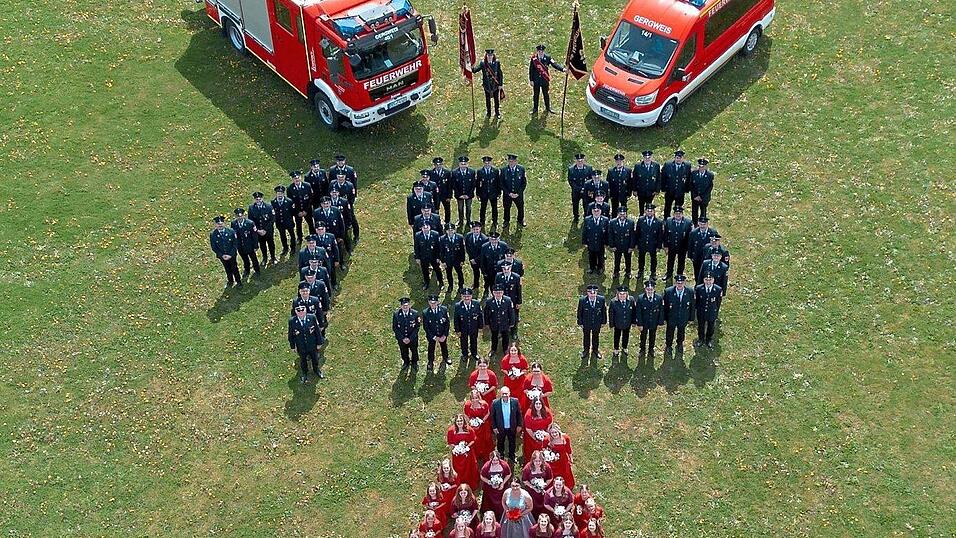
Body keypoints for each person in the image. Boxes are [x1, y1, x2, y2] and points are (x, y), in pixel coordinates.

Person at [288, 305, 324, 382]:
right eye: (298, 310)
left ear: (306, 310)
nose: (301, 312)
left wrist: (319, 343)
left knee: (315, 359)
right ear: (295, 311)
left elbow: (317, 331)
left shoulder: (312, 317)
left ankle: (316, 370)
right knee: (303, 361)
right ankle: (305, 373)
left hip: (312, 345)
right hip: (301, 346)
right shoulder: (292, 321)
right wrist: (292, 346)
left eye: (302, 310)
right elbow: (291, 335)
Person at [528, 44, 565, 114]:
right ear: (537, 51)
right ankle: (535, 108)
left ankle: (548, 108)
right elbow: (531, 70)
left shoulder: (548, 57)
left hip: (544, 79)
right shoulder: (534, 59)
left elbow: (555, 64)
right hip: (536, 80)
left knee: (546, 94)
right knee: (536, 94)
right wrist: (531, 80)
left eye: (542, 51)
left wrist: (563, 69)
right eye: (539, 51)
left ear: (543, 51)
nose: (541, 52)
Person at [490, 387, 523, 464]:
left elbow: (519, 414)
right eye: (503, 393)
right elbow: (492, 416)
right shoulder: (495, 403)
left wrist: (519, 425)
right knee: (500, 443)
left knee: (512, 442)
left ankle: (512, 456)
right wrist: (494, 427)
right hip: (500, 428)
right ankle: (500, 457)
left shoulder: (515, 401)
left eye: (506, 393)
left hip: (512, 427)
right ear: (500, 394)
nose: (505, 395)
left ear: (509, 393)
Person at [663, 275, 695, 353]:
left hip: (683, 317)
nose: (679, 285)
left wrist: (691, 318)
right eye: (678, 283)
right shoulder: (668, 292)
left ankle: (680, 344)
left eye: (681, 283)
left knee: (681, 332)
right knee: (670, 333)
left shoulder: (690, 292)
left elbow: (692, 306)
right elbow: (665, 307)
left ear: (684, 283)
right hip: (671, 317)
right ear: (675, 283)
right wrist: (664, 318)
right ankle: (668, 345)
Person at [448, 413, 480, 490]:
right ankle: (459, 483)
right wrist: (457, 448)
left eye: (461, 421)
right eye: (458, 421)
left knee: (469, 468)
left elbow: (473, 440)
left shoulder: (469, 430)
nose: (459, 423)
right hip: (457, 456)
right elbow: (450, 442)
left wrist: (466, 447)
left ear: (464, 421)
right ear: (455, 422)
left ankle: (471, 483)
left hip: (468, 454)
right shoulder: (451, 431)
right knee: (458, 470)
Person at [484, 286, 516, 358]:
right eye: (496, 293)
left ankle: (505, 349)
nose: (498, 294)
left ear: (503, 292)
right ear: (493, 293)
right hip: (494, 323)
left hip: (504, 323)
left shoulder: (507, 300)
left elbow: (511, 312)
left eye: (500, 292)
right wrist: (487, 323)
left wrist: (512, 322)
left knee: (505, 337)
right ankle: (493, 349)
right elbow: (486, 313)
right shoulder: (489, 302)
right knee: (494, 337)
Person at [209, 215, 241, 288]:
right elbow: (214, 247)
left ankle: (238, 281)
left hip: (232, 255)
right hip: (222, 256)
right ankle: (230, 281)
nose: (220, 225)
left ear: (224, 223)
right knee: (227, 268)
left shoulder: (231, 232)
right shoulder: (213, 234)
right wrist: (222, 255)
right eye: (218, 224)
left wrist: (230, 254)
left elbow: (235, 244)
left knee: (234, 268)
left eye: (221, 223)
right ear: (215, 225)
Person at [636, 280, 665, 360]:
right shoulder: (641, 298)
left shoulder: (659, 298)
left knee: (652, 336)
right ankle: (642, 349)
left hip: (654, 322)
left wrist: (660, 323)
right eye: (648, 289)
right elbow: (638, 312)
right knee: (643, 336)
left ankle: (651, 349)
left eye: (651, 289)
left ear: (654, 289)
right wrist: (639, 324)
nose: (649, 291)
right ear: (645, 289)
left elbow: (661, 311)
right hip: (644, 323)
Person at [472, 49, 504, 118]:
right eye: (488, 55)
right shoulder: (483, 63)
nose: (489, 57)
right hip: (487, 86)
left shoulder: (497, 62)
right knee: (487, 100)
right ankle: (488, 113)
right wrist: (469, 66)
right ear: (486, 56)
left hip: (495, 85)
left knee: (496, 100)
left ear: (493, 56)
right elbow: (475, 70)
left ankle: (497, 112)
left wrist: (500, 84)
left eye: (491, 55)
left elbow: (500, 74)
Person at [479, 451, 512, 519]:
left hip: (501, 488)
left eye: (497, 460)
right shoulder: (487, 466)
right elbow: (482, 476)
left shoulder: (504, 465)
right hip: (490, 489)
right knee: (489, 502)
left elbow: (508, 474)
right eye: (493, 460)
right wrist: (489, 482)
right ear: (490, 459)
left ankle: (501, 513)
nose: (495, 461)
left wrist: (502, 483)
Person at [576, 285, 607, 359]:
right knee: (586, 337)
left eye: (594, 293)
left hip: (597, 323)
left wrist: (603, 322)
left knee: (596, 337)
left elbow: (603, 311)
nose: (592, 295)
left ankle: (595, 350)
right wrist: (580, 322)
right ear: (587, 293)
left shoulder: (601, 299)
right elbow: (579, 312)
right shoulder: (582, 300)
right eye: (590, 293)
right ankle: (586, 350)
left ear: (596, 293)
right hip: (586, 323)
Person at [455, 287, 484, 362]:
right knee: (463, 342)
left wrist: (480, 327)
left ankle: (474, 353)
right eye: (464, 296)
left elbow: (480, 316)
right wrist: (457, 330)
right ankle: (465, 354)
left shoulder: (476, 303)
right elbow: (456, 319)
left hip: (474, 327)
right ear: (461, 296)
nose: (466, 298)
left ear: (471, 296)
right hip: (463, 328)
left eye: (468, 296)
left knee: (474, 340)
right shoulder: (458, 306)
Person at [635, 204, 664, 280]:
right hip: (642, 243)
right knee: (641, 258)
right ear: (645, 211)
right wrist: (636, 244)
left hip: (653, 244)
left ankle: (653, 272)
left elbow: (660, 236)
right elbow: (637, 233)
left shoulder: (659, 222)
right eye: (648, 211)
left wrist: (659, 246)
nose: (649, 212)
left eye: (651, 211)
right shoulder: (641, 220)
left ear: (654, 212)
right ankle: (640, 271)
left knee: (653, 259)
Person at [663, 205, 692, 281]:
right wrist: (666, 246)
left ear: (682, 214)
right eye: (676, 213)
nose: (678, 215)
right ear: (674, 214)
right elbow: (665, 234)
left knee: (681, 262)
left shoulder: (688, 222)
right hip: (671, 246)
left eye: (679, 213)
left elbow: (689, 237)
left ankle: (679, 275)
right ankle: (669, 273)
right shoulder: (669, 221)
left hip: (682, 247)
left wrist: (688, 248)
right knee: (670, 260)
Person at [694, 272, 722, 348]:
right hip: (701, 311)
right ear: (703, 280)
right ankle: (701, 339)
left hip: (712, 311)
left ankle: (709, 339)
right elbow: (696, 301)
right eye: (706, 279)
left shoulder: (718, 289)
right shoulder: (699, 288)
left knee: (711, 326)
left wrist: (715, 310)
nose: (708, 281)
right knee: (701, 326)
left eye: (710, 280)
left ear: (713, 280)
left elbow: (718, 302)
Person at [248, 191, 277, 265]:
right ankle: (265, 258)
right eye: (256, 199)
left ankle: (273, 257)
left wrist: (265, 230)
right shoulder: (251, 208)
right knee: (262, 245)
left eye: (259, 198)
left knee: (271, 244)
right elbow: (251, 221)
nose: (258, 200)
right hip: (259, 232)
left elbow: (272, 219)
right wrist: (258, 230)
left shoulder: (268, 206)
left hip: (268, 230)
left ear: (262, 198)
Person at [422, 295, 451, 369]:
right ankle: (430, 361)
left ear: (438, 302)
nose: (433, 304)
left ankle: (446, 357)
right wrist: (433, 337)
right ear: (429, 302)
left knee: (444, 346)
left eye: (434, 303)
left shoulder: (444, 310)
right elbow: (426, 327)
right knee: (431, 348)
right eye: (431, 303)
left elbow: (447, 323)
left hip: (442, 333)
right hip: (432, 335)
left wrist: (445, 335)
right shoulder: (425, 312)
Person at [230, 207, 261, 276]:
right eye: (238, 216)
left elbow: (254, 235)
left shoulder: (250, 223)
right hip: (240, 245)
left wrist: (256, 245)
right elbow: (233, 234)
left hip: (250, 245)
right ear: (235, 216)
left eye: (241, 216)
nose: (240, 218)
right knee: (245, 259)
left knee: (253, 258)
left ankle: (257, 270)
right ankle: (247, 270)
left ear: (243, 215)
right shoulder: (233, 223)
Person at [392, 297, 421, 370]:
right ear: (401, 306)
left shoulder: (415, 313)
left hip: (413, 338)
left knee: (414, 350)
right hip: (402, 339)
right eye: (403, 305)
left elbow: (417, 327)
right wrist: (402, 338)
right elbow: (395, 328)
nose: (405, 307)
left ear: (409, 305)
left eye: (406, 305)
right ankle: (406, 362)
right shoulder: (396, 314)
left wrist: (410, 338)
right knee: (403, 351)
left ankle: (414, 363)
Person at [661, 150, 691, 219]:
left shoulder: (687, 166)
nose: (678, 159)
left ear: (683, 158)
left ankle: (677, 219)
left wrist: (686, 189)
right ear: (675, 158)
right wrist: (663, 188)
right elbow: (663, 177)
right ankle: (666, 219)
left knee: (679, 207)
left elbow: (688, 178)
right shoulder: (668, 165)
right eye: (677, 158)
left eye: (680, 158)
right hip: (669, 191)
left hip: (680, 191)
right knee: (667, 206)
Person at [522, 398, 554, 464]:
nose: (538, 405)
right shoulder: (528, 414)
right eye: (536, 403)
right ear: (533, 404)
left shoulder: (547, 411)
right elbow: (528, 428)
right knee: (531, 451)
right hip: (531, 436)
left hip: (544, 434)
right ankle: (530, 462)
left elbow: (550, 421)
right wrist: (535, 437)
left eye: (540, 403)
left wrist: (547, 431)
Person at [543, 424, 574, 490]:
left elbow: (568, 449)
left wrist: (571, 458)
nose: (554, 434)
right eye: (552, 433)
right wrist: (549, 457)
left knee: (565, 473)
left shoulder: (565, 438)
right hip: (552, 462)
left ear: (559, 431)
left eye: (555, 432)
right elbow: (543, 450)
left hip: (563, 460)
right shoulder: (546, 440)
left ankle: (566, 487)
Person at [607, 206, 636, 278]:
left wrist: (631, 247)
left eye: (624, 214)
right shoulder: (612, 222)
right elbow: (610, 235)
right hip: (617, 246)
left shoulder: (631, 222)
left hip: (627, 246)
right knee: (617, 260)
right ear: (618, 214)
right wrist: (612, 246)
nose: (622, 215)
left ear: (626, 214)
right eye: (620, 214)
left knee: (628, 260)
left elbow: (632, 236)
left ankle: (628, 272)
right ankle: (616, 272)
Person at [494, 263, 522, 336]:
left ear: (511, 268)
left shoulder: (516, 277)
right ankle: (502, 330)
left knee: (513, 315)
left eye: (508, 268)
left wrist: (519, 302)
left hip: (513, 300)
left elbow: (519, 290)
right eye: (504, 269)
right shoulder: (498, 276)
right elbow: (496, 288)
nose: (506, 270)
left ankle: (514, 331)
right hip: (502, 300)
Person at [608, 286, 637, 356]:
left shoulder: (631, 300)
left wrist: (633, 322)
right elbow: (611, 314)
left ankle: (624, 347)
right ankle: (616, 349)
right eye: (620, 294)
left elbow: (634, 312)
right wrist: (611, 324)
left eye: (624, 294)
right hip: (617, 324)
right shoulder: (613, 302)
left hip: (627, 323)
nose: (622, 296)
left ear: (627, 294)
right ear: (617, 294)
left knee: (626, 335)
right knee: (617, 336)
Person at [287, 170, 315, 242]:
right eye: (294, 178)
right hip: (297, 211)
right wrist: (298, 211)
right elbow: (291, 202)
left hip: (307, 209)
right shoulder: (290, 188)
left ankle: (313, 235)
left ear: (300, 177)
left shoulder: (307, 186)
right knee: (298, 224)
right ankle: (299, 237)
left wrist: (305, 210)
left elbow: (310, 199)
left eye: (298, 177)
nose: (296, 179)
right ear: (292, 179)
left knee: (310, 223)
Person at [465, 389, 493, 459]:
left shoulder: (484, 404)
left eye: (476, 398)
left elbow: (488, 413)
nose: (475, 400)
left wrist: (482, 421)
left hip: (483, 426)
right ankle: (476, 454)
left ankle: (485, 453)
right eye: (473, 398)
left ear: (479, 397)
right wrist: (470, 422)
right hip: (473, 426)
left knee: (485, 439)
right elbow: (466, 415)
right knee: (475, 440)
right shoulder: (467, 405)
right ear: (470, 399)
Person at [414, 222, 443, 291]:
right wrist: (417, 257)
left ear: (430, 227)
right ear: (422, 228)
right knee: (425, 271)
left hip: (433, 257)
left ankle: (441, 282)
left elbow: (438, 247)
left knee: (437, 269)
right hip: (423, 257)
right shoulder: (418, 235)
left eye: (427, 228)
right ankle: (426, 282)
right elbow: (416, 247)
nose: (426, 230)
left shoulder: (435, 234)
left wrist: (438, 257)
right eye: (424, 228)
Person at [440, 223, 467, 293]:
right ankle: (450, 285)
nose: (450, 232)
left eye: (452, 230)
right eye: (448, 230)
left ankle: (461, 286)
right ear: (446, 231)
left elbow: (462, 250)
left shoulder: (460, 237)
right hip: (448, 260)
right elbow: (441, 251)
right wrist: (443, 261)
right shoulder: (442, 239)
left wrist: (462, 260)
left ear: (454, 230)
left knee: (459, 273)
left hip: (457, 260)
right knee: (449, 274)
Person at [500, 154, 527, 227]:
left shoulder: (521, 169)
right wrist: (508, 193)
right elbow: (501, 183)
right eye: (509, 161)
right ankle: (506, 220)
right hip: (508, 195)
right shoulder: (503, 170)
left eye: (513, 161)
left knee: (520, 207)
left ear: (516, 162)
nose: (511, 163)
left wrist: (518, 193)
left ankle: (520, 219)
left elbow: (524, 183)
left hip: (518, 194)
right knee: (506, 208)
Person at [499, 343, 529, 408]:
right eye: (512, 350)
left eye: (515, 350)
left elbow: (525, 369)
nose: (513, 352)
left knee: (521, 395)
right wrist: (509, 375)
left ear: (518, 351)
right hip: (509, 381)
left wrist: (519, 374)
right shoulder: (505, 359)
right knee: (510, 393)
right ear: (509, 351)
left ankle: (521, 408)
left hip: (520, 381)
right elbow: (503, 369)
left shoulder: (522, 359)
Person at [480, 233, 509, 297]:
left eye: (495, 239)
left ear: (498, 239)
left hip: (500, 270)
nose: (494, 241)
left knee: (499, 282)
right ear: (489, 239)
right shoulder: (484, 247)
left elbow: (506, 259)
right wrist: (483, 271)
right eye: (492, 239)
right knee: (488, 282)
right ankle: (486, 290)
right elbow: (482, 260)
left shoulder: (504, 246)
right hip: (488, 270)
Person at [581, 206, 609, 274]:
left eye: (598, 211)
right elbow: (585, 231)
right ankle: (592, 267)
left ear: (601, 211)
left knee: (600, 256)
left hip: (601, 242)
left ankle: (600, 268)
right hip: (591, 242)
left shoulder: (605, 220)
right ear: (592, 211)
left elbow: (607, 232)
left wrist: (607, 243)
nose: (596, 212)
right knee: (591, 256)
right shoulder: (587, 219)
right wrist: (584, 242)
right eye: (594, 211)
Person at [688, 217, 717, 281]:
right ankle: (698, 285)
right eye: (701, 224)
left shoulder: (713, 233)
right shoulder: (693, 233)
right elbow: (690, 245)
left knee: (708, 273)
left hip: (708, 257)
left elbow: (716, 245)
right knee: (697, 273)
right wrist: (690, 256)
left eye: (704, 224)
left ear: (707, 224)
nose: (702, 226)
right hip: (697, 258)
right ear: (698, 223)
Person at [632, 150, 661, 215]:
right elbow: (634, 179)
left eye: (649, 157)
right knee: (641, 205)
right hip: (641, 190)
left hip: (651, 191)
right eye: (645, 157)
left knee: (649, 206)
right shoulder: (638, 166)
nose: (647, 159)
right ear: (643, 158)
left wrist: (657, 190)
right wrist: (634, 190)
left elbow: (658, 179)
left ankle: (650, 216)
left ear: (651, 157)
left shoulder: (656, 165)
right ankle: (641, 217)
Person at [452, 156, 477, 228]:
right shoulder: (454, 172)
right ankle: (461, 221)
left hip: (469, 195)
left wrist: (468, 194)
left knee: (468, 208)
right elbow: (454, 185)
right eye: (462, 164)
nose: (463, 165)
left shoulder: (472, 172)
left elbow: (473, 184)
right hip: (459, 195)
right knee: (460, 208)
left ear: (467, 164)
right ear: (459, 164)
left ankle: (469, 221)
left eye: (465, 164)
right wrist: (460, 194)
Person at [476, 156, 501, 226]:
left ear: (491, 162)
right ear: (483, 163)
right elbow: (478, 183)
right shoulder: (480, 171)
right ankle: (482, 221)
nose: (487, 164)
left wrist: (499, 193)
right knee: (483, 208)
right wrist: (478, 194)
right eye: (485, 162)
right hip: (483, 193)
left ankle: (495, 221)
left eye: (488, 162)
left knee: (494, 208)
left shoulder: (495, 171)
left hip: (493, 193)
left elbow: (498, 183)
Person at [567, 154, 592, 221]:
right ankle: (576, 217)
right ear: (576, 161)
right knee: (575, 204)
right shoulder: (571, 169)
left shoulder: (589, 168)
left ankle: (586, 216)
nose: (580, 162)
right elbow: (571, 181)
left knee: (586, 204)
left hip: (586, 191)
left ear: (583, 161)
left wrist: (586, 188)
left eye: (581, 161)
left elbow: (590, 179)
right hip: (576, 191)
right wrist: (578, 189)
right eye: (578, 161)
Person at [466, 222, 489, 292]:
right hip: (472, 259)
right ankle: (476, 284)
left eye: (477, 229)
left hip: (482, 260)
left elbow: (483, 252)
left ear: (480, 229)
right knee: (475, 272)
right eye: (474, 229)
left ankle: (486, 288)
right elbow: (467, 247)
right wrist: (471, 258)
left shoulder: (484, 239)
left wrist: (476, 259)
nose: (475, 231)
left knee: (485, 274)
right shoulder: (468, 236)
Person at [690, 158, 714, 224]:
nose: (701, 168)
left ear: (706, 167)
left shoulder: (710, 175)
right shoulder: (694, 173)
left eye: (702, 167)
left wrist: (702, 197)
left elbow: (709, 187)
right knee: (694, 211)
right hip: (695, 197)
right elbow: (691, 185)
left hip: (704, 198)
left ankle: (702, 223)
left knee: (703, 211)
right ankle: (695, 224)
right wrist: (695, 196)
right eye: (700, 166)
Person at [429, 157, 453, 223]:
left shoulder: (447, 172)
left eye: (440, 164)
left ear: (442, 164)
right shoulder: (431, 173)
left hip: (445, 194)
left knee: (447, 209)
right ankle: (436, 222)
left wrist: (449, 196)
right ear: (434, 165)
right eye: (437, 164)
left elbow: (450, 185)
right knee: (435, 209)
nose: (438, 166)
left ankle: (447, 222)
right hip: (435, 195)